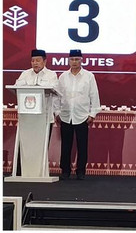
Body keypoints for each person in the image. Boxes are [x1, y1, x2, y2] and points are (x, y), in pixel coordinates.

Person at [53, 50, 101, 180]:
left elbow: (94, 95)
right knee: (66, 144)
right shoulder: (63, 76)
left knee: (82, 145)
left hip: (82, 115)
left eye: (77, 59)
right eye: (72, 59)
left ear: (81, 60)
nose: (74, 62)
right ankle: (65, 170)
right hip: (66, 115)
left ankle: (81, 171)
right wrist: (57, 112)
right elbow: (57, 96)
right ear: (68, 60)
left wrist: (93, 113)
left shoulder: (89, 76)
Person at [14, 49, 59, 174]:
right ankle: (21, 173)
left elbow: (55, 92)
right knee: (25, 146)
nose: (35, 63)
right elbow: (17, 88)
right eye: (33, 60)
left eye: (38, 60)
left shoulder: (51, 75)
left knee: (41, 147)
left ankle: (40, 172)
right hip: (27, 118)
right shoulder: (25, 74)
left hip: (44, 118)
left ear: (45, 61)